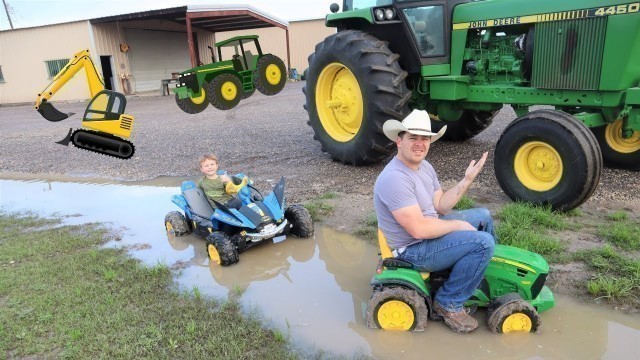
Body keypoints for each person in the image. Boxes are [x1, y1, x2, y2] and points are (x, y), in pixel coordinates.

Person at [373, 109, 496, 334]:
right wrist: (457, 225)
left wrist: (466, 181)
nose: (420, 144)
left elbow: (441, 206)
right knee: (483, 242)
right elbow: (419, 229)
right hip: (411, 249)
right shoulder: (394, 178)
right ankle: (449, 302)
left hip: (425, 231)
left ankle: (472, 273)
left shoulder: (424, 167)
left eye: (424, 138)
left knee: (483, 216)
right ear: (399, 141)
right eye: (413, 138)